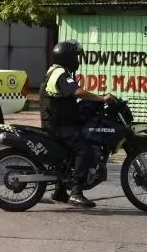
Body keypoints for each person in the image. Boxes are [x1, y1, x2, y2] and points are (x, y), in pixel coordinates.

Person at [40, 40, 115, 208]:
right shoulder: (60, 73)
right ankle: (76, 192)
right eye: (76, 56)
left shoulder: (55, 71)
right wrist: (101, 98)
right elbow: (77, 91)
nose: (78, 60)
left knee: (68, 154)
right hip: (58, 125)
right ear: (68, 57)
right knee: (84, 149)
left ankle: (60, 192)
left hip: (58, 122)